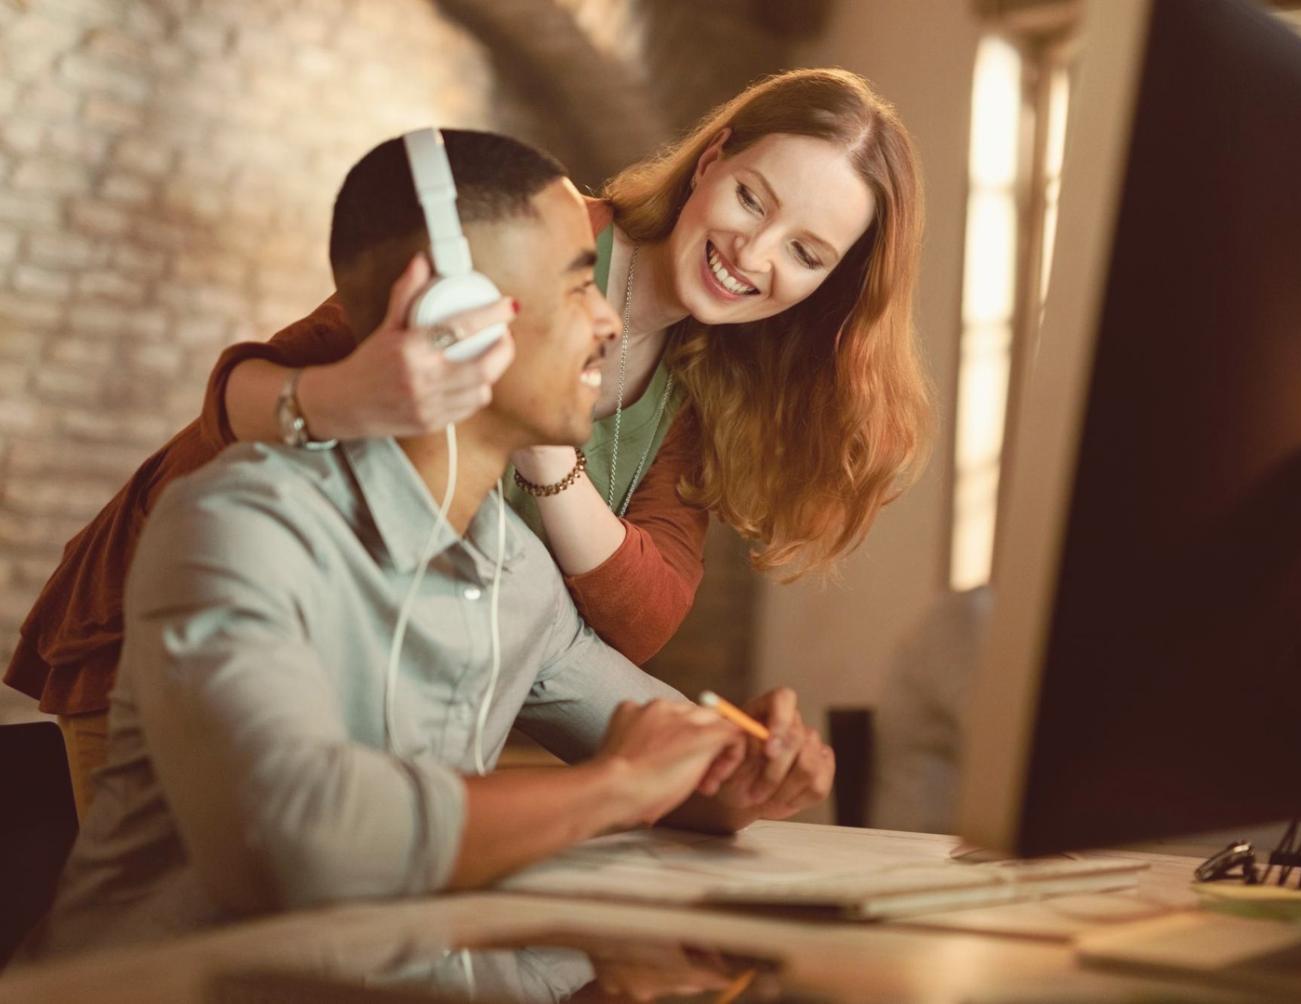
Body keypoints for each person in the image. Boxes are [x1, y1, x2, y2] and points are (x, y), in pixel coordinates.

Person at [5, 68, 930, 816]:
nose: (755, 255)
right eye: (751, 198)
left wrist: (727, 770)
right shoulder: (533, 237)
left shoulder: (707, 378)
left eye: (807, 253)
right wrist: (348, 394)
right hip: (185, 629)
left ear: (835, 284)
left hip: (371, 684)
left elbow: (636, 618)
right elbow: (238, 395)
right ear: (712, 158)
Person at [20, 129, 833, 962]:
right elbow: (295, 839)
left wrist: (743, 773)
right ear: (450, 319)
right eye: (575, 284)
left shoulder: (516, 579)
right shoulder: (237, 529)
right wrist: (614, 788)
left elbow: (651, 717)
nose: (606, 323)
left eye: (808, 250)